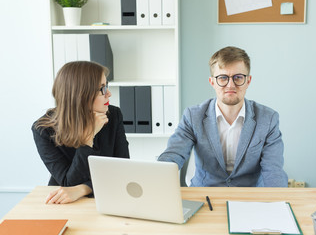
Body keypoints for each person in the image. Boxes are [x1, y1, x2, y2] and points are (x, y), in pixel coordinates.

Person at [158, 46, 287, 187]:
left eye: (238, 77)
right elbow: (174, 155)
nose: (230, 85)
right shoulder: (193, 116)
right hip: (205, 194)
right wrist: (156, 180)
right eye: (223, 78)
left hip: (249, 197)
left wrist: (278, 203)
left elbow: (273, 170)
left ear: (248, 81)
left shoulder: (268, 119)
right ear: (212, 82)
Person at [32, 61, 130, 204]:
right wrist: (88, 139)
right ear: (81, 95)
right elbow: (68, 183)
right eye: (102, 88)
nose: (108, 93)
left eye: (107, 85)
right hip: (63, 203)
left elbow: (123, 171)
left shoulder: (113, 115)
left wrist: (84, 189)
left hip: (107, 197)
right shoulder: (43, 130)